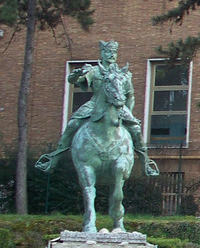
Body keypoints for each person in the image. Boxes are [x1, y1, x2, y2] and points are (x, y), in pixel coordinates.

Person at [36, 40, 160, 177]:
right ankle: (53, 159)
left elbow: (130, 95)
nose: (112, 55)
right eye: (108, 52)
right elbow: (72, 80)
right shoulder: (93, 70)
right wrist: (77, 74)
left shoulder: (123, 75)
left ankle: (146, 163)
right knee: (73, 124)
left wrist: (127, 111)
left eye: (114, 52)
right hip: (95, 105)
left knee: (136, 129)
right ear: (102, 53)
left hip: (118, 106)